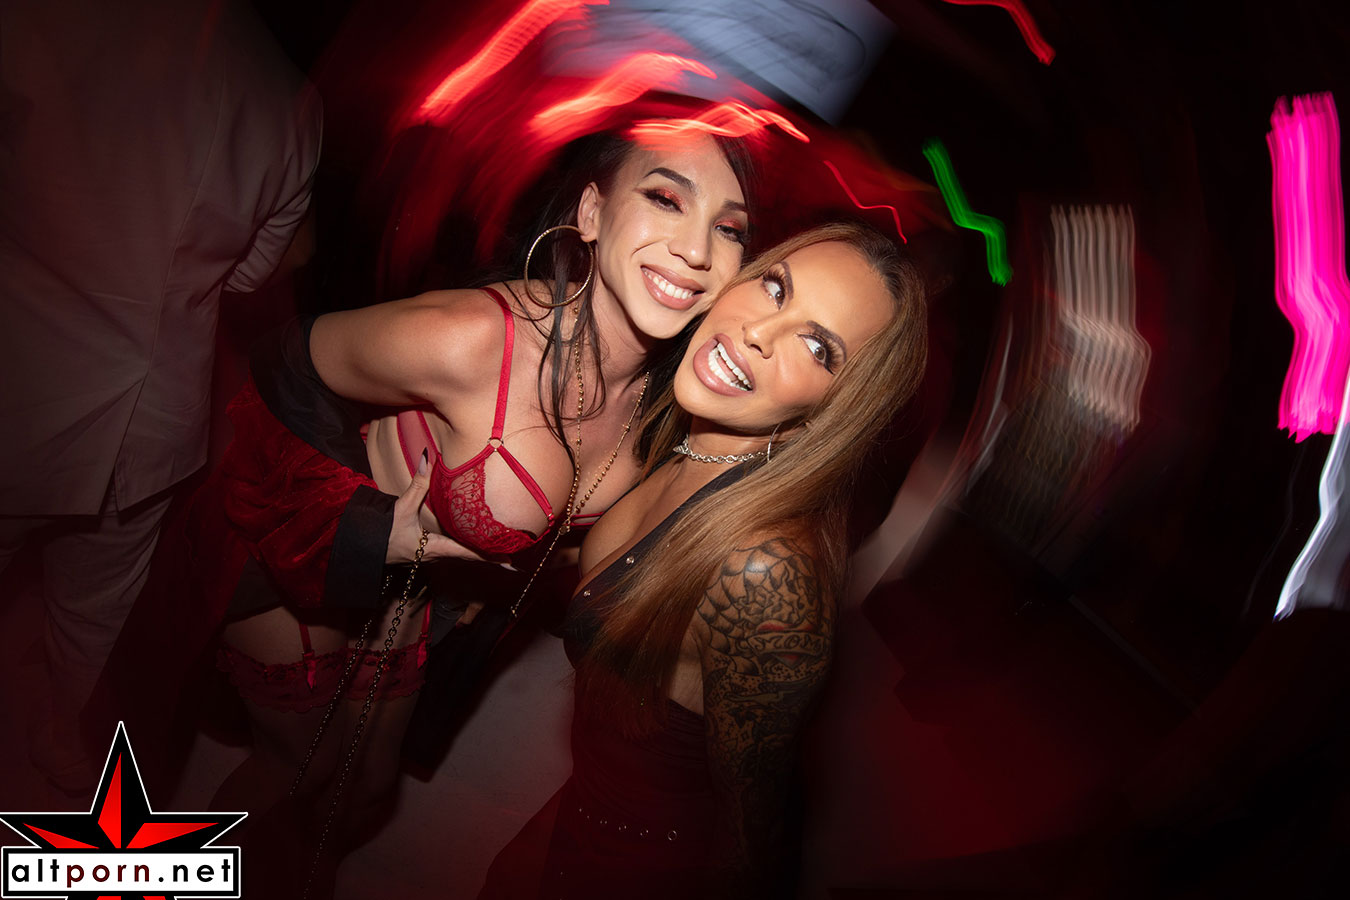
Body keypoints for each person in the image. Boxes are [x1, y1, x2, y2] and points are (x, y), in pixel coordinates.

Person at [185, 127, 756, 893]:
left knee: (366, 790)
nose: (696, 249)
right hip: (310, 556)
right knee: (299, 767)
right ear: (591, 213)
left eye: (729, 228)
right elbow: (276, 365)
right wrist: (361, 528)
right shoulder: (471, 340)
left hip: (417, 598)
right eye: (665, 199)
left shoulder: (670, 399)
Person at [480, 221, 929, 898]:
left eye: (817, 347)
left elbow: (752, 822)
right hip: (585, 803)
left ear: (837, 408)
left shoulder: (765, 572)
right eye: (775, 288)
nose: (759, 332)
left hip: (639, 865)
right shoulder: (690, 440)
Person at [0, 0, 321, 794]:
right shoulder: (287, 94)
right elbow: (252, 274)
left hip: (23, 379)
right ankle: (65, 758)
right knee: (95, 617)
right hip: (150, 416)